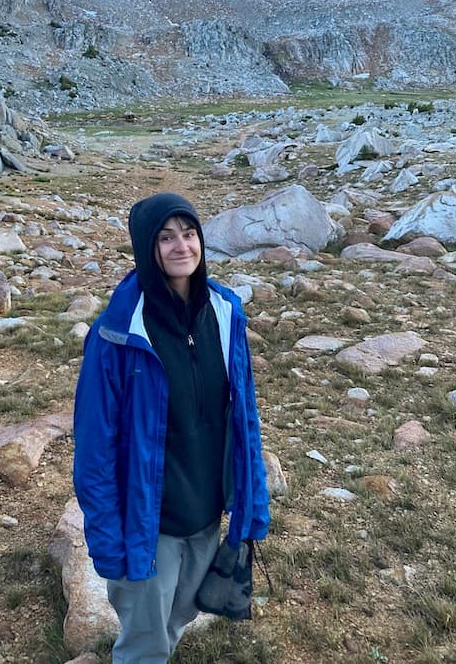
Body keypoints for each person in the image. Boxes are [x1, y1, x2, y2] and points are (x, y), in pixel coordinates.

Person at [73, 192, 269, 663]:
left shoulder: (224, 313)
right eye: (165, 238)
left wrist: (251, 499)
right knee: (145, 644)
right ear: (146, 247)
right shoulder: (118, 333)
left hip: (204, 513)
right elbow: (95, 446)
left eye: (189, 233)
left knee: (179, 616)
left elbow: (244, 415)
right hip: (147, 522)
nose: (182, 246)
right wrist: (107, 537)